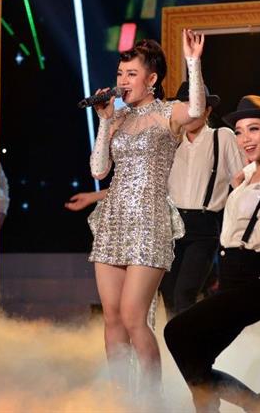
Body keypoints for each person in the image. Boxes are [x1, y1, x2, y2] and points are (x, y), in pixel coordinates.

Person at [164, 95, 260, 412]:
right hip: (233, 279)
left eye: (253, 129)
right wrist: (240, 180)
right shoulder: (246, 177)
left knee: (176, 332)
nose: (245, 139)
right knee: (197, 359)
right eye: (239, 132)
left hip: (255, 284)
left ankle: (258, 407)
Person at [87, 30, 207, 393]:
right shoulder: (117, 119)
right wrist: (104, 120)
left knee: (132, 316)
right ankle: (122, 398)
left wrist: (193, 62)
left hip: (149, 222)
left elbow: (197, 110)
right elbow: (98, 170)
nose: (123, 81)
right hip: (113, 221)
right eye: (120, 74)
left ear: (151, 79)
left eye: (131, 74)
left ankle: (152, 400)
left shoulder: (168, 112)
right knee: (112, 318)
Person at [66, 83, 245, 320]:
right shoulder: (169, 138)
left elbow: (241, 182)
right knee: (168, 294)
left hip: (203, 227)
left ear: (207, 110)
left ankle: (188, 340)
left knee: (185, 293)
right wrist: (92, 197)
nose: (189, 112)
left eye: (194, 106)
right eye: (183, 106)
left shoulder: (221, 137)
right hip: (168, 223)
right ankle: (175, 339)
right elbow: (140, 185)